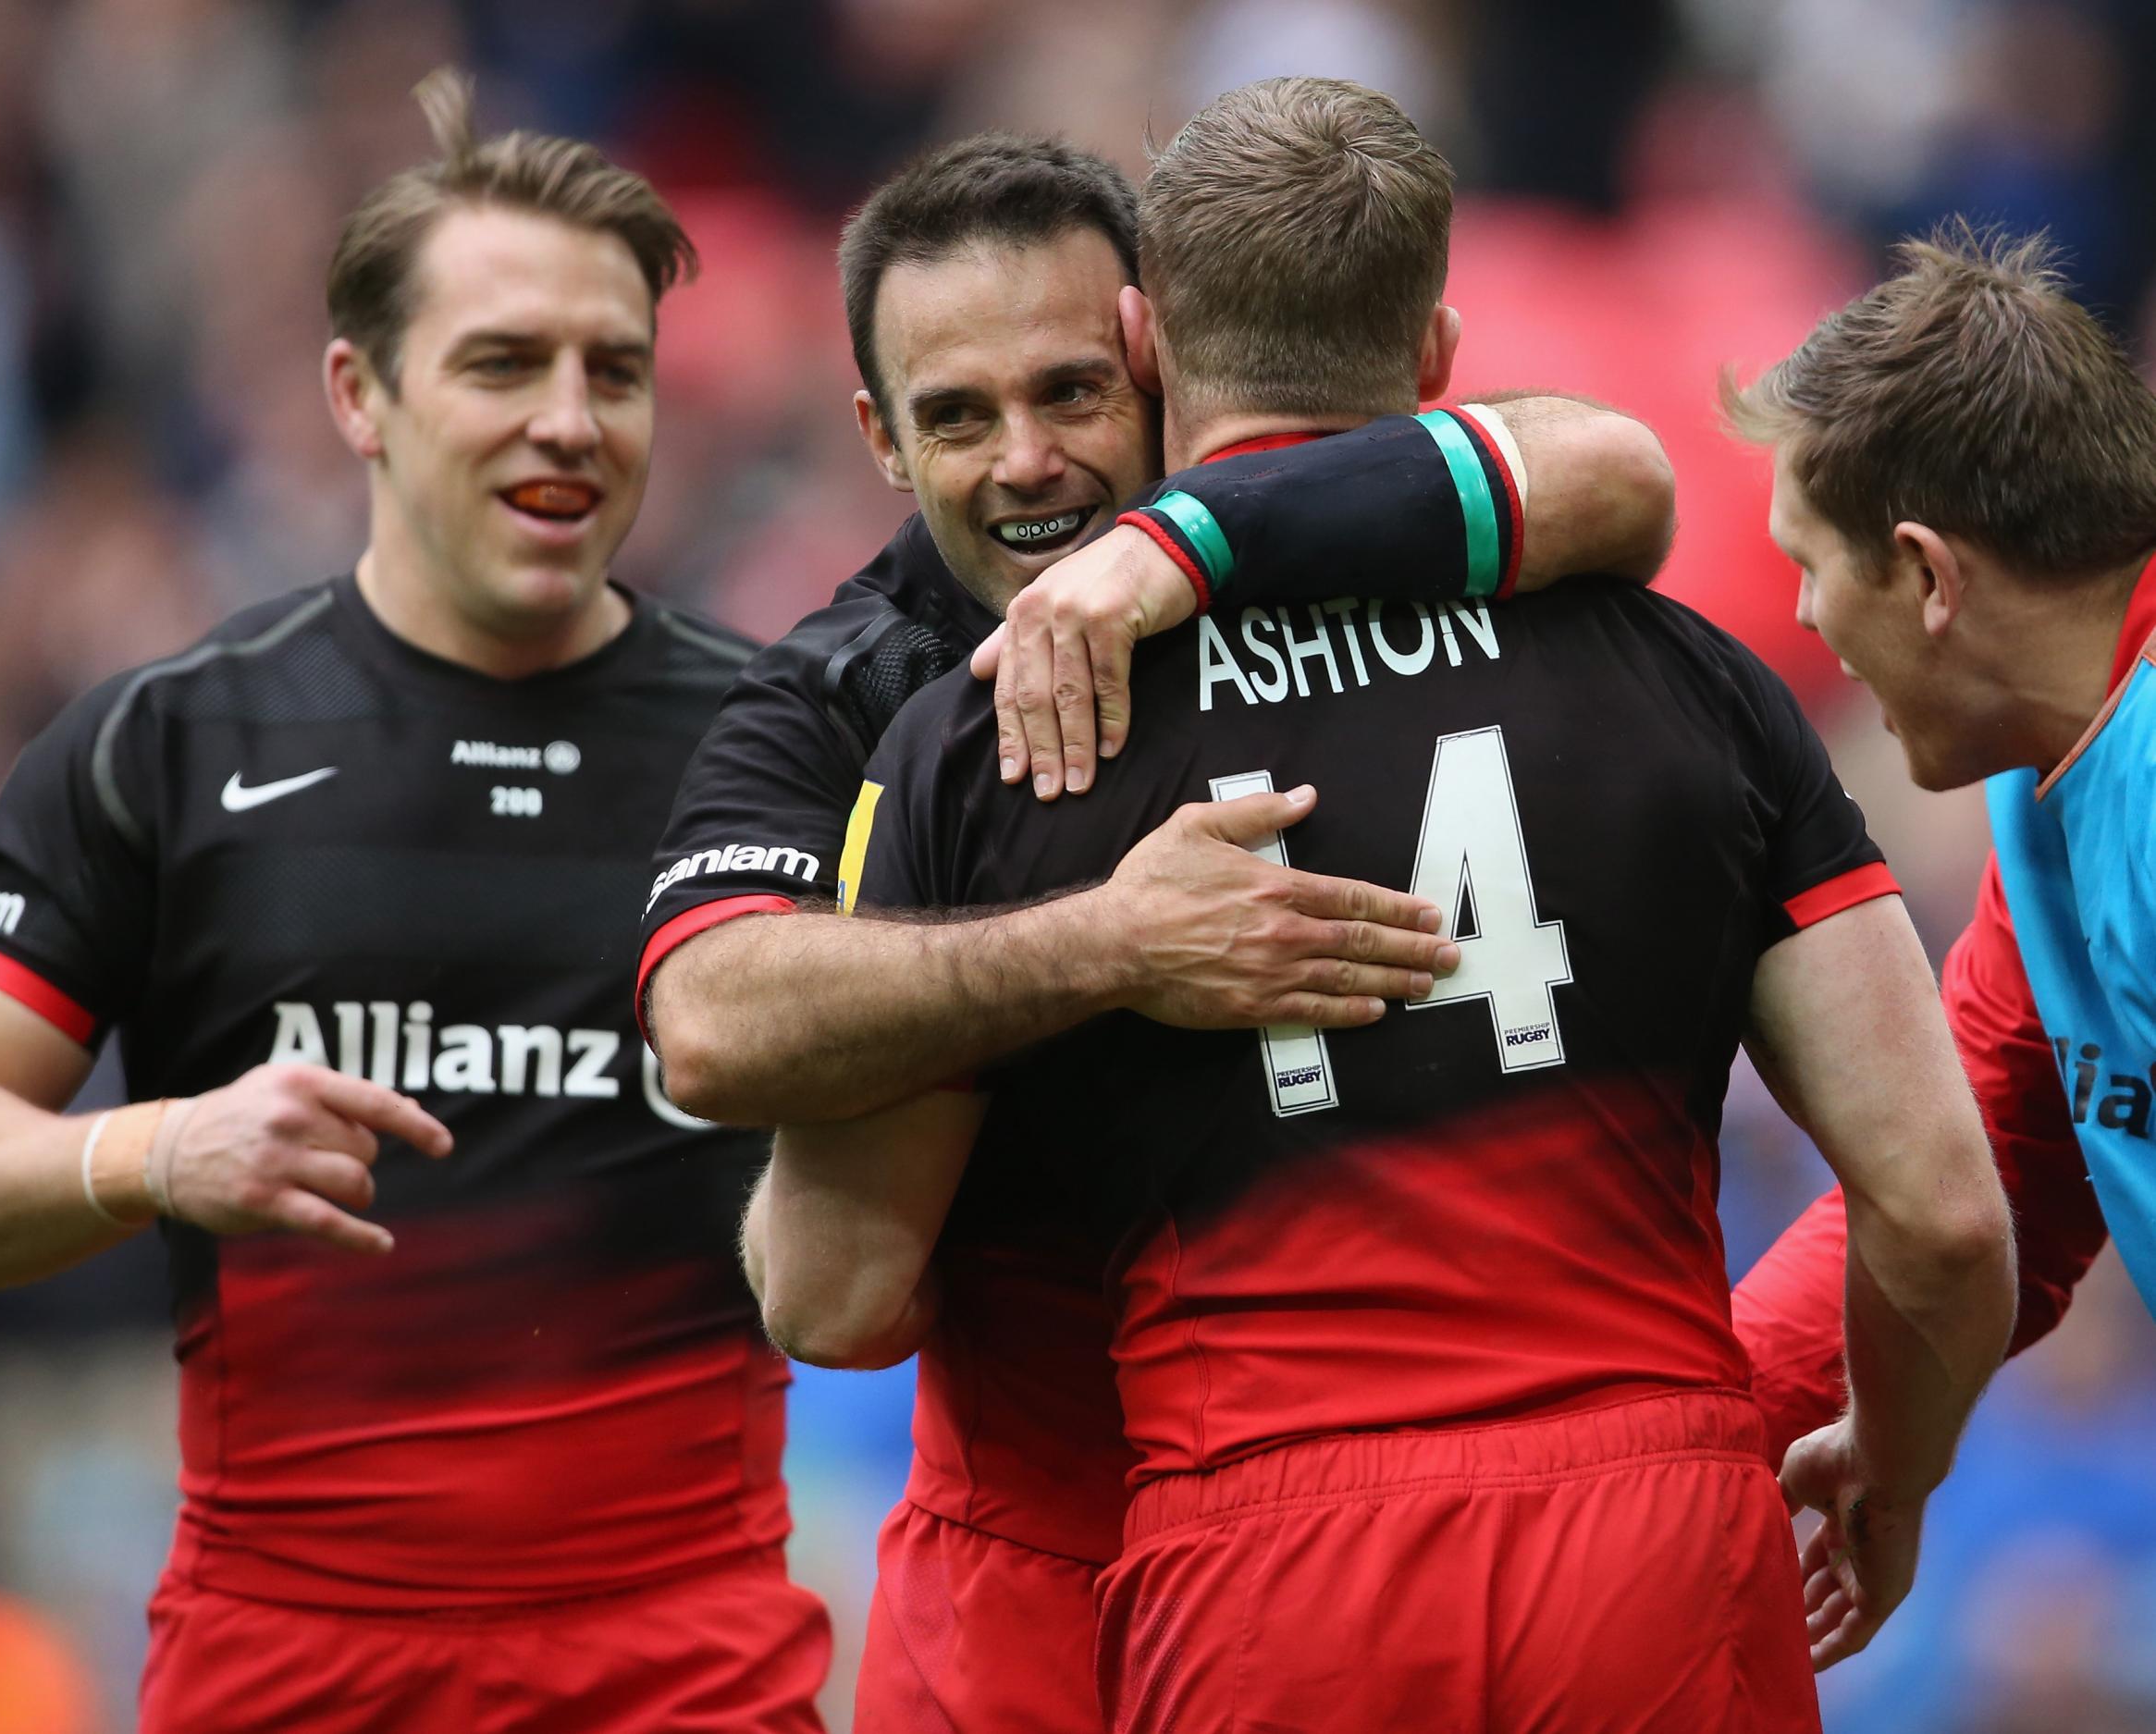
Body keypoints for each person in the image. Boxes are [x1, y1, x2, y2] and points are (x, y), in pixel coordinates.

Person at [755, 80, 2017, 1733]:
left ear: (1146, 342)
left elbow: (839, 1301)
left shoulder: (1010, 734)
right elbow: (1940, 1210)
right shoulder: (1687, 674)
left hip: (1265, 1567)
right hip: (1651, 1535)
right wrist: (1891, 1470)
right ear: (1437, 349)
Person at [645, 131, 1679, 1731]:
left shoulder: (1328, 542)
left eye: (1070, 393)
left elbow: (1619, 470)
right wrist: (1108, 947)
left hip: (1349, 1530)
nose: (1028, 463)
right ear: (875, 435)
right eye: (958, 418)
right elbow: (710, 1023)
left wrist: (1183, 549)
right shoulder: (854, 686)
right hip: (1038, 1570)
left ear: (1155, 350)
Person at [0, 73, 829, 1733]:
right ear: (357, 395)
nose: (571, 421)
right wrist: (156, 1150)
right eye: (504, 364)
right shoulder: (171, 744)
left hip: (682, 1668)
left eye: (617, 371)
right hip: (291, 1670)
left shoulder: (785, 749)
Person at [1725, 227, 2156, 1666]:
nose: (1800, 614)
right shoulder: (2055, 770)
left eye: (1810, 564)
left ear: (1924, 574)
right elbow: (1978, 1174)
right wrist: (1697, 1436)